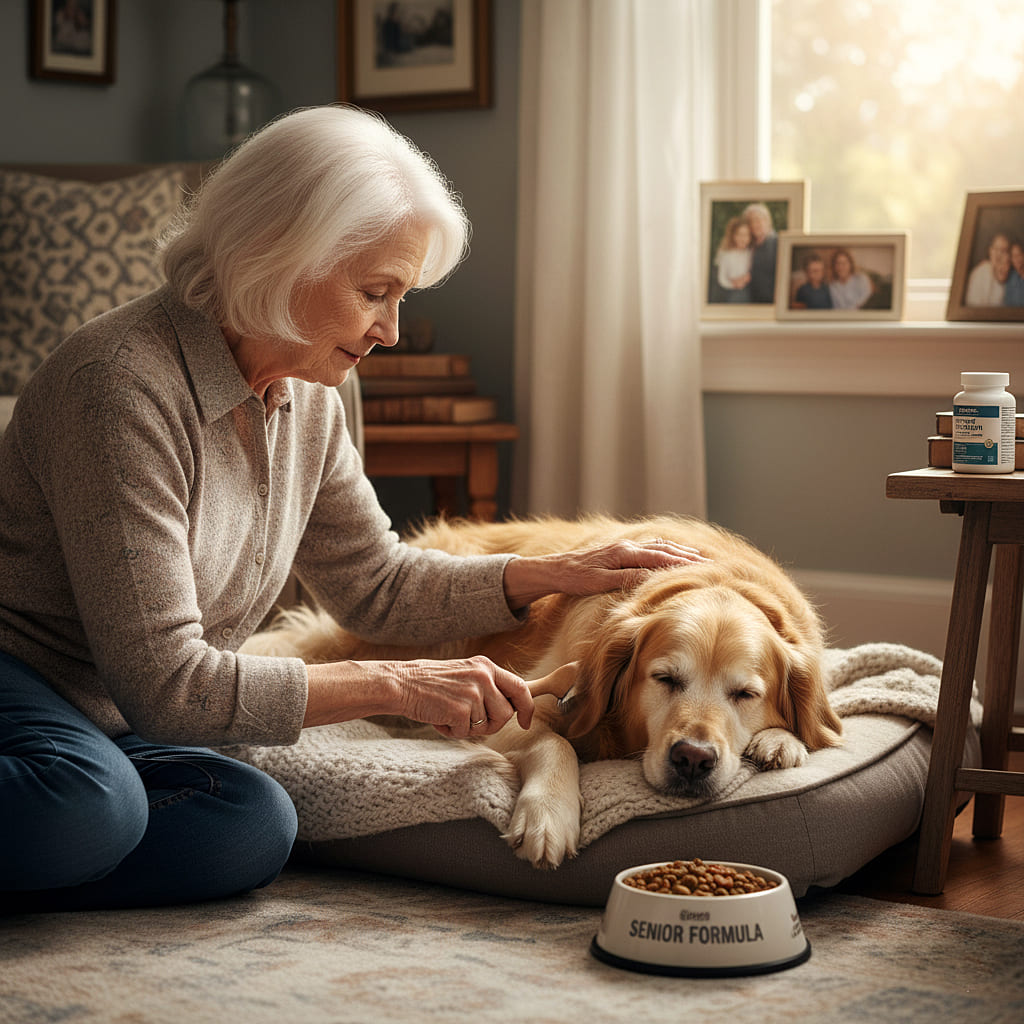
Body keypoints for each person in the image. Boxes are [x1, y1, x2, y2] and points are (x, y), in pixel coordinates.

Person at [0, 105, 706, 912]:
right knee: (90, 806)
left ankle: (49, 854)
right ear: (279, 254)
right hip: (24, 678)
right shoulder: (119, 385)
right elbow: (172, 687)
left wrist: (551, 573)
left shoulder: (308, 396)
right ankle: (72, 832)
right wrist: (399, 685)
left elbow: (376, 582)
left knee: (251, 825)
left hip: (117, 719)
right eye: (376, 292)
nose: (392, 330)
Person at [742, 203, 778, 304]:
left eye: (759, 220)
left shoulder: (777, 242)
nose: (756, 224)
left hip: (770, 301)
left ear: (768, 222)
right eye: (751, 221)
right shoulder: (747, 245)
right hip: (751, 301)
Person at [964, 232, 1011, 307]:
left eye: (1003, 250)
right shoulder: (980, 272)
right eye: (996, 249)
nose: (999, 254)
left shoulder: (1010, 273)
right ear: (990, 250)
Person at [714, 216, 753, 303]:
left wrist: (746, 278)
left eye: (746, 235)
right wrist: (733, 284)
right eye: (739, 235)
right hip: (730, 292)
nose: (743, 238)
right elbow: (721, 279)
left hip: (748, 291)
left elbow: (751, 273)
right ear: (733, 236)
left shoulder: (750, 253)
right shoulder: (726, 255)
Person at [1003, 239, 1024, 307]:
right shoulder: (1011, 277)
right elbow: (1007, 304)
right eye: (1013, 256)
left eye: (1019, 255)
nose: (1016, 259)